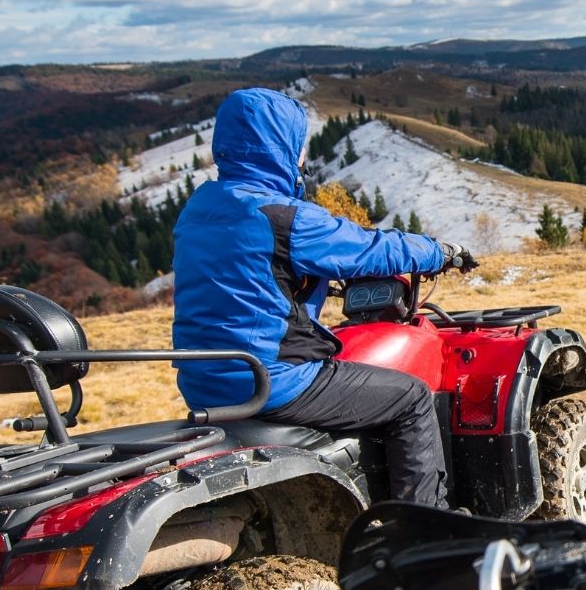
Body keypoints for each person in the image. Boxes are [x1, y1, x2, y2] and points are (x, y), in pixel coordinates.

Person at [171, 87, 474, 508]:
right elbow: (371, 248)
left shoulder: (200, 206)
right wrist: (442, 253)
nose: (301, 158)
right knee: (412, 397)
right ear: (281, 147)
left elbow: (255, 274)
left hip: (205, 380)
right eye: (298, 147)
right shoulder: (282, 216)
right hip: (272, 380)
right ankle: (425, 528)